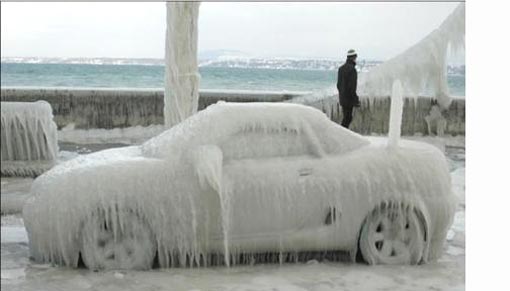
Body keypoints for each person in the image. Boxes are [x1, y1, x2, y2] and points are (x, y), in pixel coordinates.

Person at [337, 49, 361, 128]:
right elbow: (352, 87)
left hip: (342, 97)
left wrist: (342, 94)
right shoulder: (352, 70)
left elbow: (338, 85)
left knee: (346, 117)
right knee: (348, 118)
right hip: (349, 99)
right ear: (354, 58)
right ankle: (342, 134)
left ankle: (342, 134)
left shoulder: (341, 69)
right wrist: (356, 100)